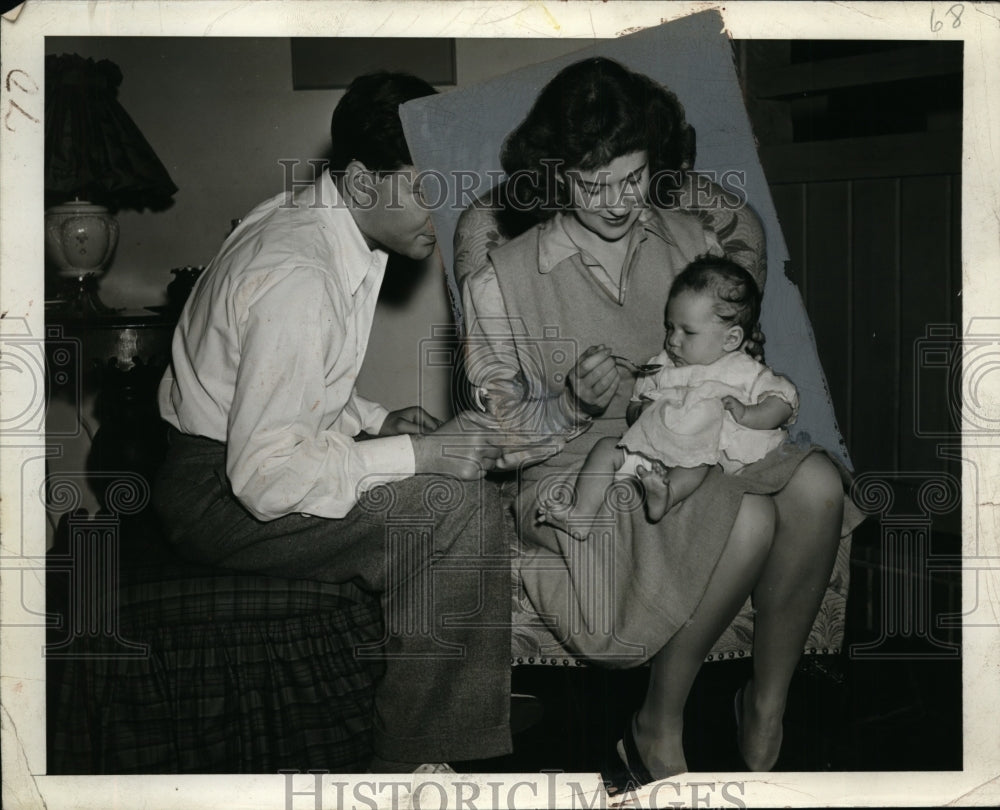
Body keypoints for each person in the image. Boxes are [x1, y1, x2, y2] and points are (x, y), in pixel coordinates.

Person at [456, 57, 860, 787]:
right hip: (576, 473)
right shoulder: (498, 278)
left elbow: (737, 360)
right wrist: (573, 403)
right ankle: (657, 719)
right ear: (553, 173)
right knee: (746, 519)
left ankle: (765, 702)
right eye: (590, 183)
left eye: (633, 179)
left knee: (820, 486)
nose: (615, 202)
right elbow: (496, 440)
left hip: (697, 443)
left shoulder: (695, 242)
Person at [153, 72, 512, 773]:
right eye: (422, 188)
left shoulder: (315, 218)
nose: (440, 212)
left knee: (433, 475)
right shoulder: (299, 272)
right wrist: (417, 454)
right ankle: (421, 767)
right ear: (361, 178)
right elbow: (262, 475)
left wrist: (374, 421)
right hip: (217, 495)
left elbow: (272, 379)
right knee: (457, 507)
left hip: (219, 461)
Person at [537, 256, 798, 540]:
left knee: (696, 463)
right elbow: (635, 406)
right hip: (653, 453)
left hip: (701, 455)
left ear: (731, 339)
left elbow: (783, 400)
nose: (673, 340)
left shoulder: (742, 369)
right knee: (605, 449)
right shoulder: (661, 365)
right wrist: (642, 411)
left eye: (688, 332)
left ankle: (667, 495)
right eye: (670, 327)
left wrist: (749, 414)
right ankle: (580, 516)